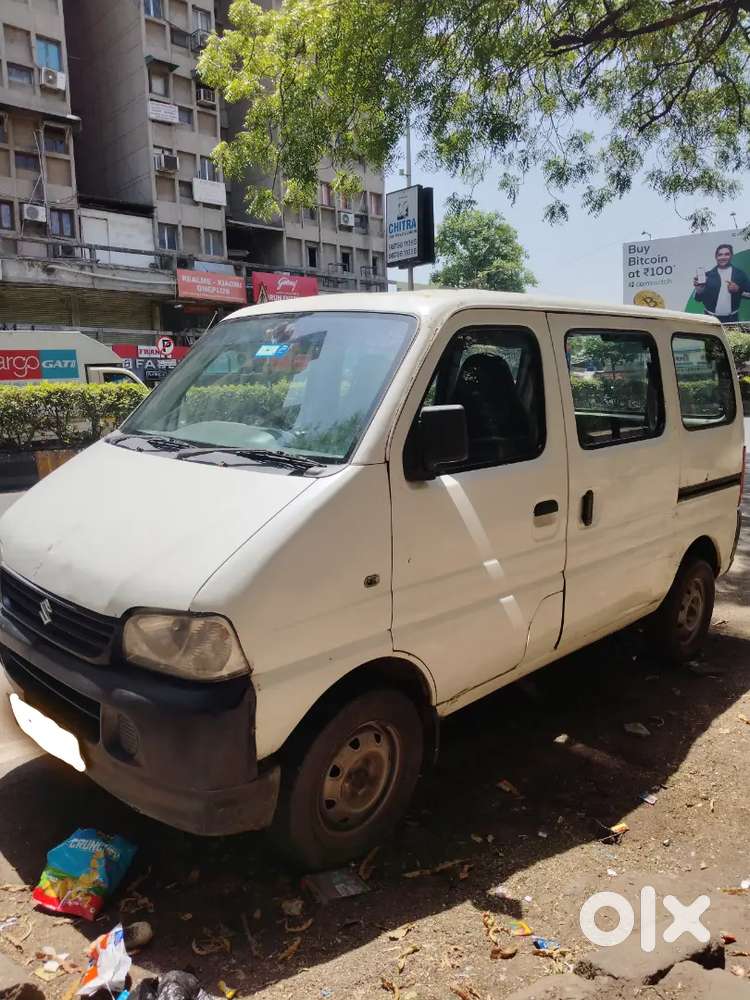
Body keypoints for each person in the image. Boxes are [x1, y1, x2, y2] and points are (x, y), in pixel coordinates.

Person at [693, 244, 750, 323]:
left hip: (732, 319)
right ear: (716, 257)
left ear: (731, 255)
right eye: (720, 255)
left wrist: (738, 290)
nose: (723, 257)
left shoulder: (740, 274)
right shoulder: (708, 275)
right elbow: (698, 299)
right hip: (710, 319)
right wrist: (699, 290)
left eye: (727, 254)